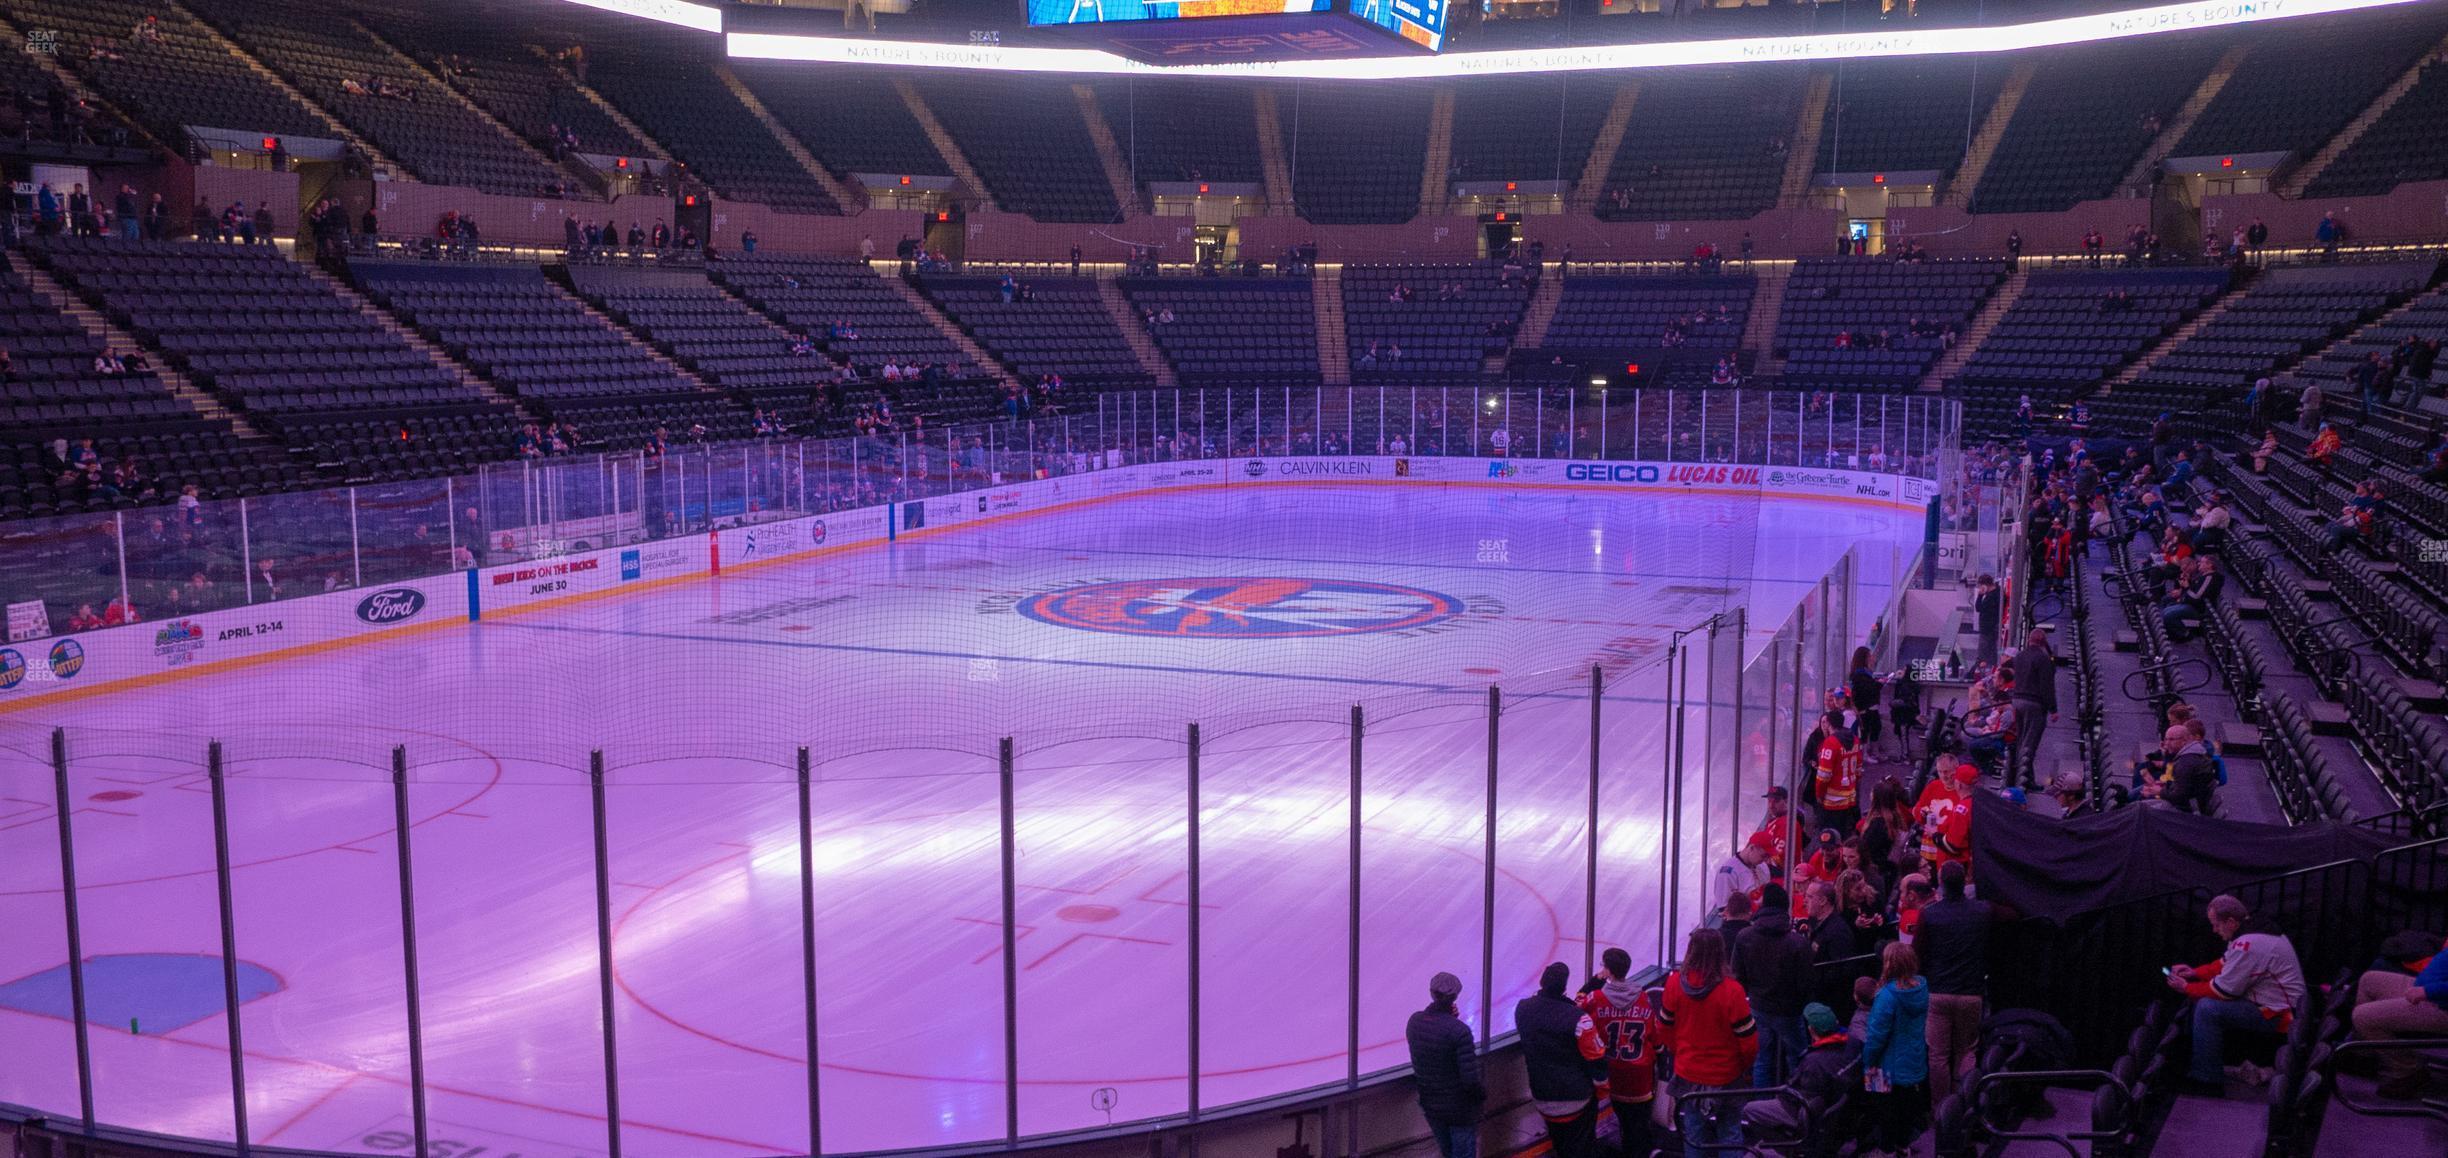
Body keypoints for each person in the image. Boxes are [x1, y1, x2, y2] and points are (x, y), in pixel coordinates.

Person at [2170, 895, 2305, 1093]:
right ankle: (2195, 1065)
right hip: (2276, 1006)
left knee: (2208, 1008)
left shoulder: (2250, 944)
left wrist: (2186, 988)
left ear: (2231, 922)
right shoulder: (2253, 931)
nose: (2214, 930)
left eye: (2216, 925)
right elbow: (2225, 963)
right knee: (2201, 999)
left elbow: (2224, 991)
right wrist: (2194, 973)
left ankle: (2207, 1080)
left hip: (2283, 1016)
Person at [1659, 927, 1758, 1158]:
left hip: (1688, 1072)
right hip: (1726, 1075)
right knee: (1730, 1131)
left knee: (1693, 1134)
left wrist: (1680, 1052)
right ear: (1720, 952)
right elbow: (1749, 1042)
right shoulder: (1732, 991)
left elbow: (1664, 1028)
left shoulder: (1673, 984)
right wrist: (1743, 1068)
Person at [1915, 862, 1990, 1102]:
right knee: (1967, 1052)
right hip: (1971, 993)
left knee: (1938, 1055)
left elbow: (1917, 953)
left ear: (1941, 885)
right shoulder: (1982, 911)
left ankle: (1942, 1111)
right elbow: (2010, 914)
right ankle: (1965, 1105)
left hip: (1938, 992)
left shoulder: (1929, 914)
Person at [1515, 961, 1604, 1158]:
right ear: (1564, 988)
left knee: (1562, 1145)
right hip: (1576, 1098)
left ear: (1541, 982)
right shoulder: (1578, 1018)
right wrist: (1602, 1087)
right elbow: (1597, 1059)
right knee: (1582, 1149)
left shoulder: (1523, 1009)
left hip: (1542, 1095)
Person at [1577, 947, 1658, 1158]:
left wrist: (1595, 981)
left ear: (1608, 971)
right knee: (1639, 1125)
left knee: (1624, 1121)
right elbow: (1654, 1036)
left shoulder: (1595, 998)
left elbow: (1577, 1005)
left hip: (1613, 1073)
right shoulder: (1643, 997)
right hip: (1640, 1076)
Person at [2350, 934, 2448, 1100]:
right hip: (2431, 990)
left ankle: (2407, 1069)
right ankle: (2367, 1055)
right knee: (2370, 980)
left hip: (2441, 1004)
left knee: (2363, 1017)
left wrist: (2428, 992)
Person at [1737, 883, 1813, 1088]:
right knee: (1798, 1057)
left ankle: (1761, 1105)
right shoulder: (1797, 942)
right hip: (1789, 1010)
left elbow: (1738, 975)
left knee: (1762, 1059)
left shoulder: (1745, 936)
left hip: (1759, 1007)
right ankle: (1796, 1100)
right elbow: (1805, 982)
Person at [1861, 942, 1932, 1155]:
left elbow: (1876, 1036)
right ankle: (1903, 1147)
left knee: (1883, 1113)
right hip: (1914, 1059)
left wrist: (1868, 1062)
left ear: (1888, 964)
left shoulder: (1887, 996)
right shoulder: (1922, 985)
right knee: (1906, 1110)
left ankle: (1886, 1151)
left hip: (1884, 1066)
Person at [1406, 971, 1484, 1158]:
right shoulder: (1459, 1031)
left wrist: (1448, 1020)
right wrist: (1481, 1097)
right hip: (1458, 1109)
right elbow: (1470, 1080)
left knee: (1448, 1152)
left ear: (1432, 993)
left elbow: (1434, 1043)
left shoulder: (1415, 1022)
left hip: (1431, 1103)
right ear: (1455, 996)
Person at [2006, 630, 2057, 789]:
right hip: (2033, 705)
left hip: (2017, 702)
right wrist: (2053, 709)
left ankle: (2024, 779)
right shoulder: (2043, 659)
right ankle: (2025, 781)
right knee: (2030, 745)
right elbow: (2047, 687)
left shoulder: (2019, 656)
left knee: (2022, 741)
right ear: (2043, 642)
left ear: (2029, 640)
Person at [1972, 575, 2001, 669]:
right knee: (1991, 653)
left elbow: (1978, 607)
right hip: (1992, 629)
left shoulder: (1991, 597)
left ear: (1984, 585)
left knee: (1982, 654)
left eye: (1980, 586)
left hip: (1987, 630)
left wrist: (1980, 596)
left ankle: (1974, 674)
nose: (1979, 589)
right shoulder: (1997, 592)